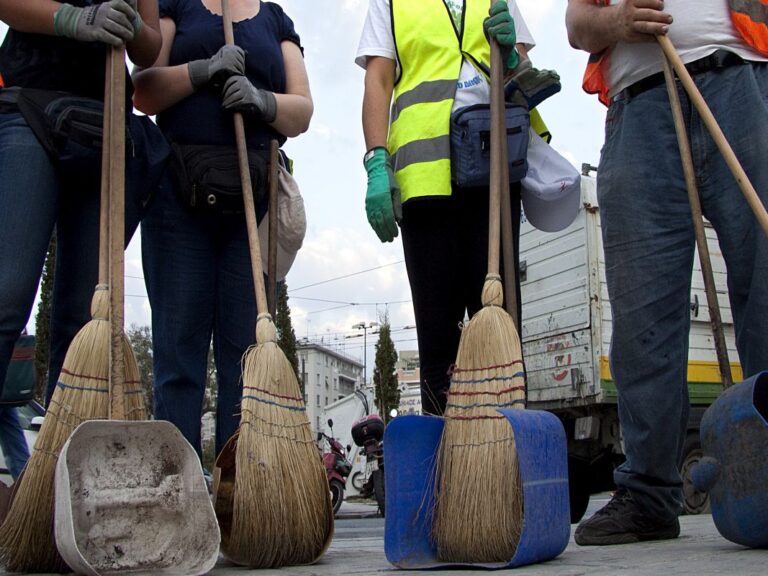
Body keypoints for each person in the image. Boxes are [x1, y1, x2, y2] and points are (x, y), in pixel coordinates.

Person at [566, 0, 768, 545]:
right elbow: (578, 25)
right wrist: (616, 22)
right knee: (642, 312)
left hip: (746, 82)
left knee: (767, 279)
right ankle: (650, 495)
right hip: (641, 106)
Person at [357, 0, 576, 416]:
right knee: (438, 338)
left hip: (493, 170)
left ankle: (502, 452)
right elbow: (379, 79)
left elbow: (520, 71)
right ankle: (447, 464)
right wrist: (376, 161)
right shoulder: (390, 3)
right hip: (426, 181)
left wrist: (512, 56)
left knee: (500, 329)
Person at [131, 0, 312, 458]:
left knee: (245, 360)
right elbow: (144, 92)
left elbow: (302, 111)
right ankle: (178, 487)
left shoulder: (274, 19)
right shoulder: (178, 6)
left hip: (250, 200)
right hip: (178, 197)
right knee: (178, 356)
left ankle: (237, 492)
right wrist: (202, 70)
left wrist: (261, 99)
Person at [0, 0, 168, 406]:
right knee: (8, 292)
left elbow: (149, 48)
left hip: (103, 126)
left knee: (85, 312)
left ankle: (60, 452)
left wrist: (133, 27)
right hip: (30, 106)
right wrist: (73, 18)